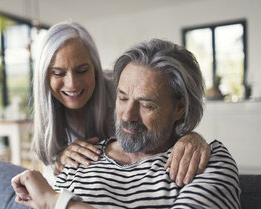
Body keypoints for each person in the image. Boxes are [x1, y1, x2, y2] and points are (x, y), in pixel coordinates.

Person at [12, 39, 241, 209]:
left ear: (180, 107)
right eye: (122, 98)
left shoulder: (205, 161)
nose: (127, 116)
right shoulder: (82, 157)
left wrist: (57, 204)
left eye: (146, 104)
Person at [31, 21, 210, 187]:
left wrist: (190, 136)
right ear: (45, 77)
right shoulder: (47, 106)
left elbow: (163, 128)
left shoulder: (118, 86)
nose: (72, 84)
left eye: (82, 70)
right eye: (58, 73)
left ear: (95, 67)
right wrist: (60, 161)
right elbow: (53, 181)